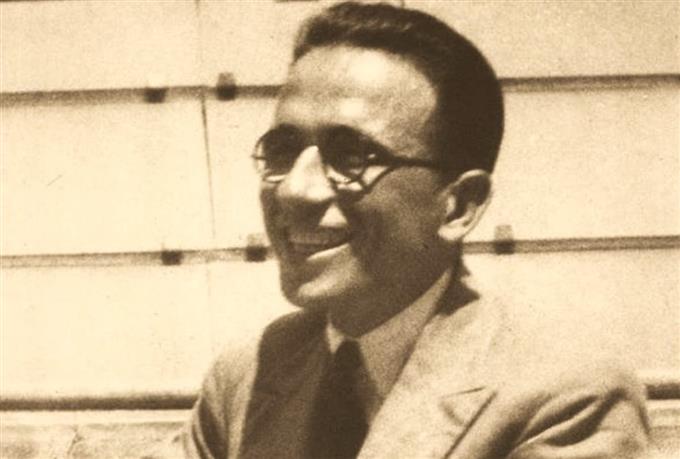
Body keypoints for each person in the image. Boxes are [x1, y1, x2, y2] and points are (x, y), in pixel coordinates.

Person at [184, 2, 650, 458]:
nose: (294, 190)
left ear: (459, 206)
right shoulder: (249, 373)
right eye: (282, 151)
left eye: (350, 156)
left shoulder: (565, 395)